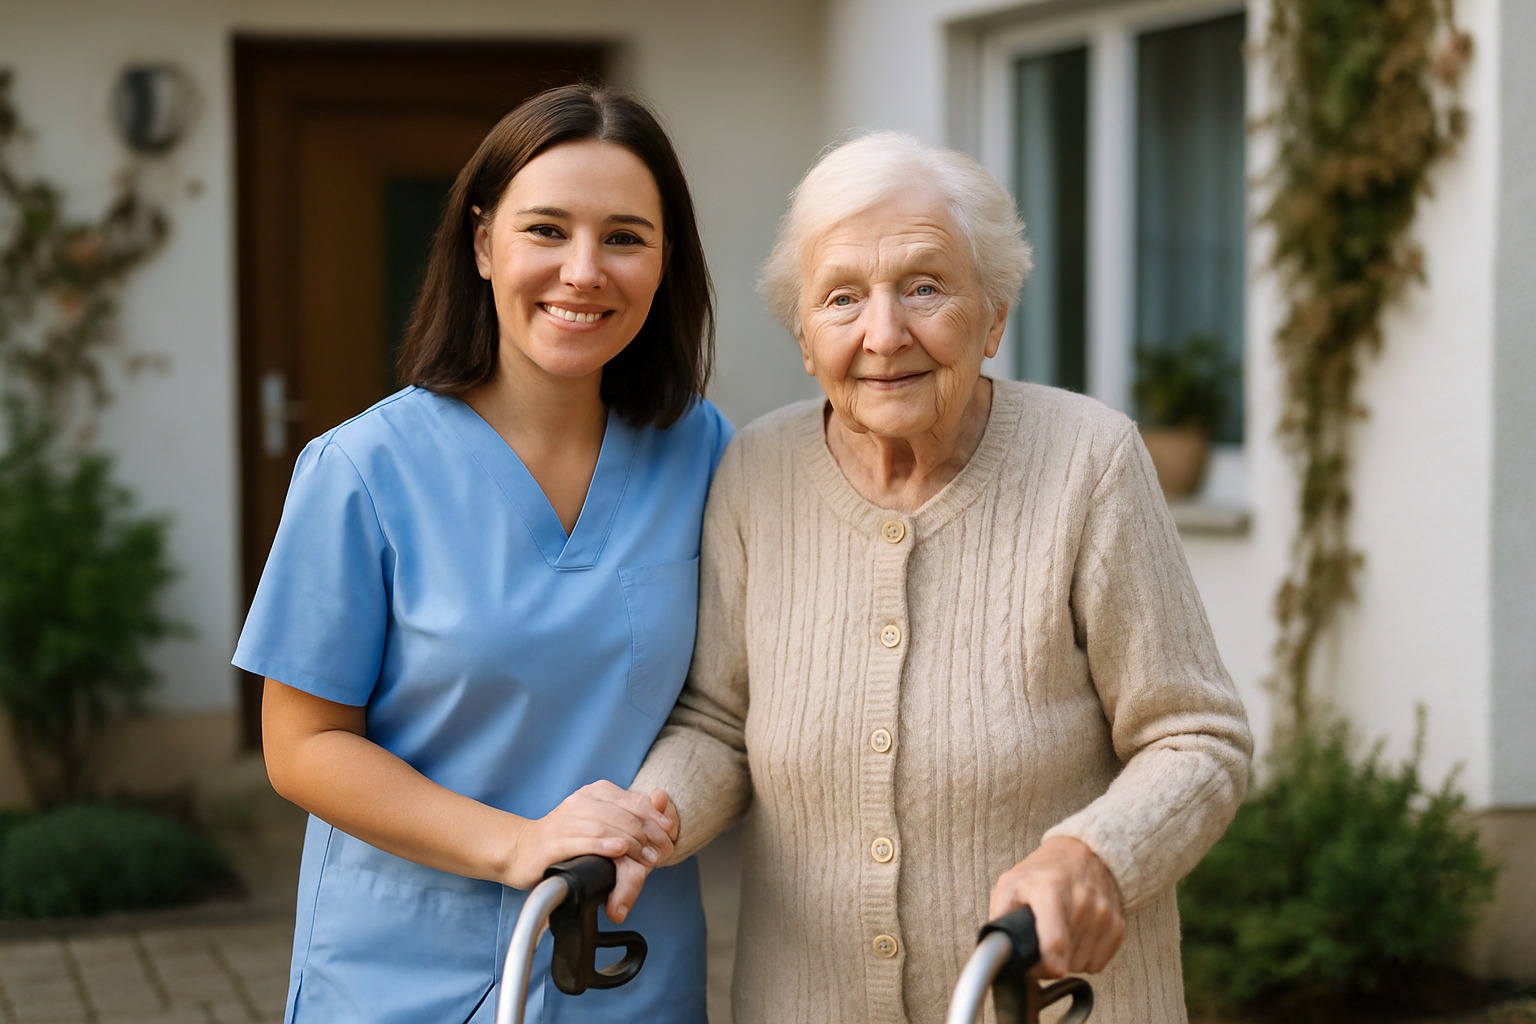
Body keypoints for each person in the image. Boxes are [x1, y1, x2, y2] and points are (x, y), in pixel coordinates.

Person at [629, 131, 1253, 1024]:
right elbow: (720, 724)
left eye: (925, 286)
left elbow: (1198, 737)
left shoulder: (1089, 461)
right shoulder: (755, 473)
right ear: (805, 337)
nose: (884, 334)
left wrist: (1095, 854)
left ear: (994, 315)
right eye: (842, 297)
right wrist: (646, 821)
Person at [233, 83, 730, 1024]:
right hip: (406, 974)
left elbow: (728, 702)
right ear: (481, 244)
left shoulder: (706, 454)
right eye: (546, 229)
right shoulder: (362, 470)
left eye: (625, 237)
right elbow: (302, 747)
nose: (584, 270)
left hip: (625, 966)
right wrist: (518, 845)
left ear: (666, 263)